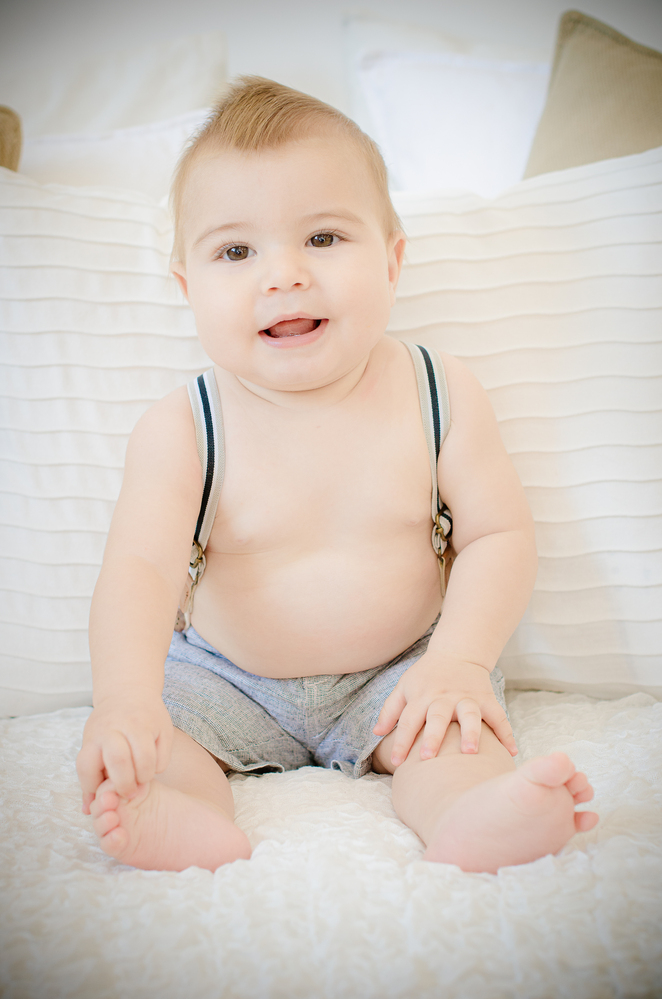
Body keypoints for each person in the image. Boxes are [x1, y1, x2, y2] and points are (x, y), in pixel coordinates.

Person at [77, 77, 598, 874]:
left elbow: (498, 534)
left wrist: (459, 660)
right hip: (224, 680)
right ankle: (175, 809)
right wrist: (125, 697)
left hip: (402, 669)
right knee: (161, 736)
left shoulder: (440, 392)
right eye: (236, 251)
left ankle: (472, 811)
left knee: (450, 735)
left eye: (322, 237)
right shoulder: (183, 428)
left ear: (392, 260)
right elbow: (140, 569)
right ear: (187, 287)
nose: (283, 274)